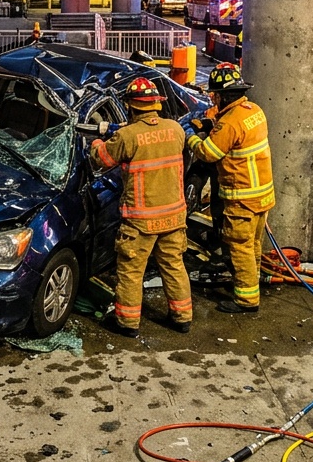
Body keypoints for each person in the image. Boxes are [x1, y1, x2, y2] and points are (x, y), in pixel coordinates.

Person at [89, 77, 191, 337]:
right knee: (173, 265)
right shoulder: (176, 130)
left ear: (132, 107)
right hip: (174, 216)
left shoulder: (127, 136)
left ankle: (128, 323)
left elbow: (102, 159)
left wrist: (97, 142)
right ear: (157, 104)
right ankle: (182, 318)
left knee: (132, 271)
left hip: (141, 221)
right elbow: (153, 138)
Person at [186, 64, 276, 314]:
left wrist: (191, 137)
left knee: (240, 248)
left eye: (215, 94)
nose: (213, 98)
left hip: (241, 199)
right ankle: (250, 284)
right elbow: (233, 131)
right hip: (262, 195)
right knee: (253, 245)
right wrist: (211, 123)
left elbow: (208, 153)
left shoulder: (229, 124)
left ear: (224, 95)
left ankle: (246, 300)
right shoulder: (253, 110)